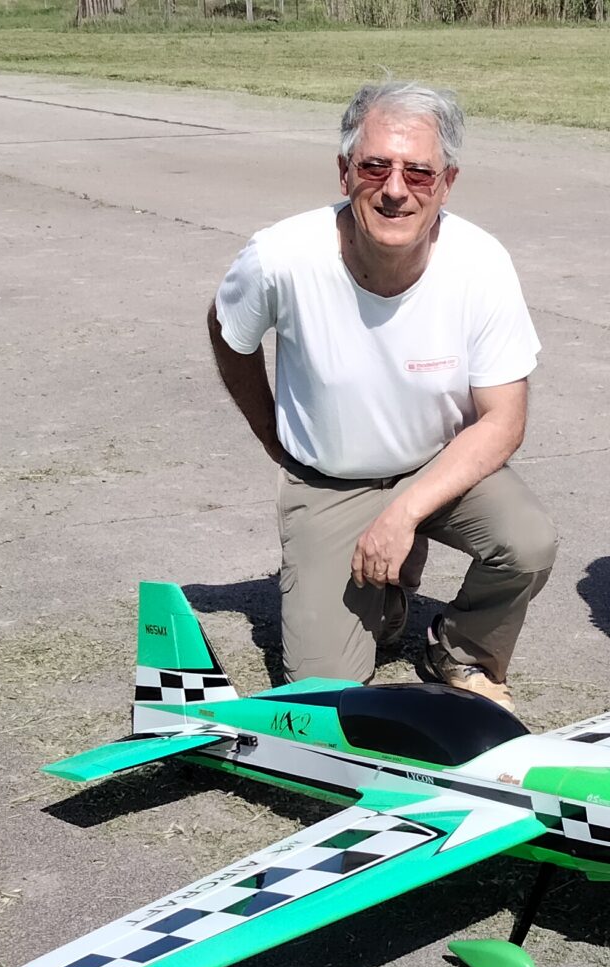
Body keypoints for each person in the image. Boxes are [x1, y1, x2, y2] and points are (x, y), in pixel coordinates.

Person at [207, 80, 556, 706]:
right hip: (330, 479)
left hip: (436, 465)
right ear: (344, 172)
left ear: (447, 183)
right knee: (325, 693)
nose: (396, 189)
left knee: (526, 542)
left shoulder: (481, 262)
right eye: (375, 167)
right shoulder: (281, 256)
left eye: (419, 172)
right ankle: (387, 595)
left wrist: (404, 513)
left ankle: (461, 651)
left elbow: (503, 422)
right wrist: (273, 434)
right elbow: (228, 330)